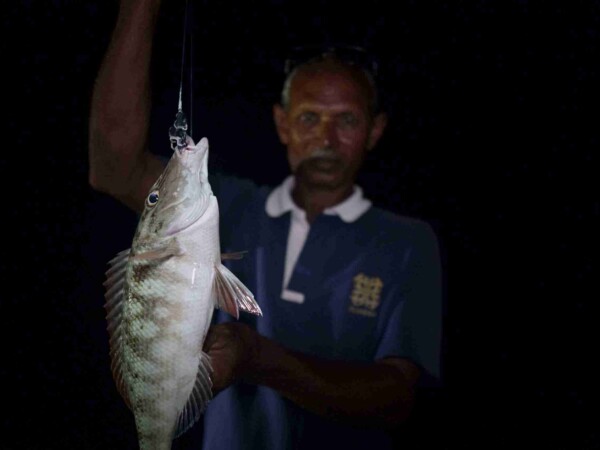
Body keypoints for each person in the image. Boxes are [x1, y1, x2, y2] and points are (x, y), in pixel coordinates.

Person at [88, 1, 442, 449]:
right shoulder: (230, 207)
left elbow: (398, 399)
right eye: (310, 116)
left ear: (375, 129)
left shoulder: (408, 242)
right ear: (282, 123)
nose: (327, 138)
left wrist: (258, 359)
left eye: (347, 120)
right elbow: (113, 167)